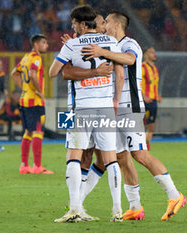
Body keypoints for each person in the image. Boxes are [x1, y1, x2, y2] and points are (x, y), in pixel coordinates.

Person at [79, 11, 187, 221]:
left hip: (130, 107)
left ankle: (175, 195)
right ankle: (135, 206)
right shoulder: (111, 45)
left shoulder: (130, 44)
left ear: (117, 24)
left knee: (140, 154)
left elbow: (129, 59)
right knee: (120, 157)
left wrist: (102, 51)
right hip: (115, 109)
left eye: (107, 21)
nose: (104, 25)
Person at [49, 5, 125, 223]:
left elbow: (53, 72)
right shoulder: (111, 42)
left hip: (80, 106)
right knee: (110, 159)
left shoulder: (72, 44)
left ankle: (75, 209)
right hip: (106, 106)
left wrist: (68, 53)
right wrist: (115, 99)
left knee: (74, 155)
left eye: (74, 24)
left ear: (82, 24)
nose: (73, 28)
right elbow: (119, 71)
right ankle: (117, 210)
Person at [11, 34, 53, 174]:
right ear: (36, 44)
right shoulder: (36, 57)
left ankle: (24, 165)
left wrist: (24, 88)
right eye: (44, 42)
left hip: (24, 99)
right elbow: (33, 74)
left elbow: (14, 74)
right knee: (38, 131)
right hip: (34, 101)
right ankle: (37, 166)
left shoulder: (25, 57)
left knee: (28, 131)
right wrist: (39, 91)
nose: (46, 45)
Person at [141, 46, 162, 149]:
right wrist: (143, 96)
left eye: (154, 52)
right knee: (142, 126)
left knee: (151, 127)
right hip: (145, 101)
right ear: (145, 55)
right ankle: (140, 148)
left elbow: (153, 84)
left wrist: (157, 95)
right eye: (151, 52)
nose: (154, 54)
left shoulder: (154, 68)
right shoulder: (142, 67)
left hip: (153, 101)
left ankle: (145, 148)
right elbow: (137, 83)